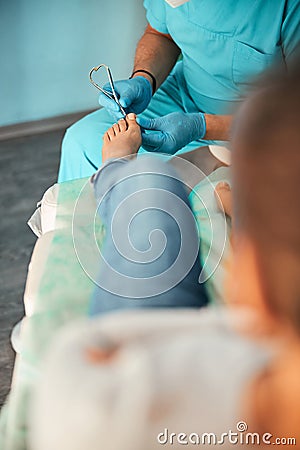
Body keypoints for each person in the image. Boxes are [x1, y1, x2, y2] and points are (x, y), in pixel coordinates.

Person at [58, 0, 300, 182]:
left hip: (263, 129)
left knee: (158, 185)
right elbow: (160, 34)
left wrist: (201, 126)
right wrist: (144, 78)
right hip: (183, 94)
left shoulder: (287, 8)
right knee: (81, 142)